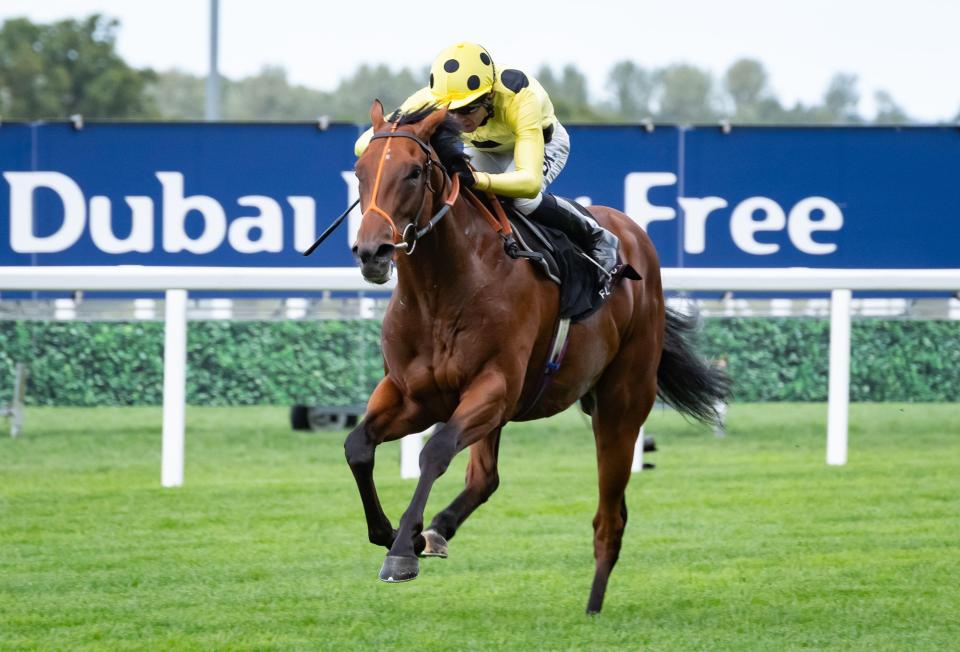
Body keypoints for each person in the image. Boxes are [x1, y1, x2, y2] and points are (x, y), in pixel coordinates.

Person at [354, 42, 619, 274]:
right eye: (451, 112)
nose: (458, 120)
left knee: (521, 201)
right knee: (459, 196)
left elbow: (528, 183)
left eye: (468, 109)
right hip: (484, 149)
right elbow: (363, 144)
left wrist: (480, 180)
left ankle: (595, 235)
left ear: (490, 95)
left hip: (542, 143)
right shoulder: (431, 98)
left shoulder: (520, 96)